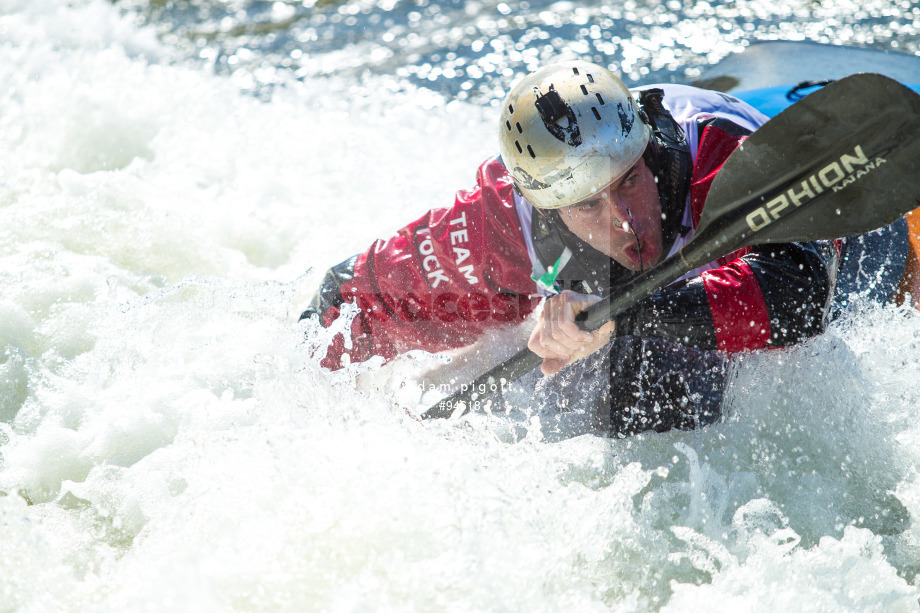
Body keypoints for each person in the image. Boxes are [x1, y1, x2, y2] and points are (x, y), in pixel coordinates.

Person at [300, 60, 847, 436]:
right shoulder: (500, 223)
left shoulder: (721, 151)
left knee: (652, 371)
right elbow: (342, 299)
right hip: (658, 302)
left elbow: (799, 298)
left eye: (630, 181)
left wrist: (622, 317)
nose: (626, 222)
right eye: (589, 206)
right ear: (549, 208)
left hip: (838, 232)